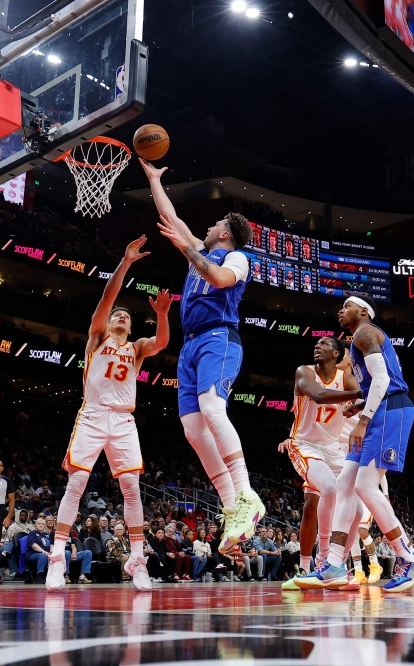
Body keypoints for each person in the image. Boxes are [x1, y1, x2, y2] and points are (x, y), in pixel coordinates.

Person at [142, 158, 265, 553]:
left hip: (219, 338)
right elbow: (170, 216)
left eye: (213, 225)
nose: (206, 229)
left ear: (225, 233)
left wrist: (188, 249)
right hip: (190, 344)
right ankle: (232, 508)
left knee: (213, 408)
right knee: (193, 430)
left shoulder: (235, 258)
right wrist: (153, 179)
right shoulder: (199, 248)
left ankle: (246, 495)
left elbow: (218, 280)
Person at [46, 236, 171, 593]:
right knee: (77, 483)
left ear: (131, 327)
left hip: (123, 420)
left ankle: (137, 559)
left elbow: (161, 343)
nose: (121, 315)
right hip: (93, 414)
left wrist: (161, 315)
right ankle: (57, 556)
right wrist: (126, 262)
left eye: (127, 316)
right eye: (119, 313)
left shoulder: (137, 348)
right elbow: (105, 299)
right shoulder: (98, 337)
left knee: (131, 487)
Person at [297, 295, 414, 592]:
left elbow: (384, 380)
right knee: (345, 483)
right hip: (378, 411)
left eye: (347, 306)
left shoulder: (364, 331)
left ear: (363, 311)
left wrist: (362, 419)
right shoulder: (359, 340)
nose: (340, 311)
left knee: (365, 486)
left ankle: (408, 557)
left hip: (391, 410)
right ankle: (334, 564)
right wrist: (360, 405)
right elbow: (375, 384)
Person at [279, 337, 361, 589]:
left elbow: (365, 403)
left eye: (324, 344)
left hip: (334, 448)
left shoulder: (345, 378)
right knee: (327, 490)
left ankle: (339, 566)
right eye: (316, 343)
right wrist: (361, 393)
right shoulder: (304, 371)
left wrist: (366, 399)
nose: (317, 346)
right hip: (304, 444)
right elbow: (319, 395)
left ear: (337, 354)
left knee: (356, 509)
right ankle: (320, 562)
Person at [25, 518, 53, 584]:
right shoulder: (33, 533)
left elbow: (51, 544)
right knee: (43, 556)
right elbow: (33, 545)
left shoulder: (47, 534)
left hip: (47, 553)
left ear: (45, 526)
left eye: (42, 524)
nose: (41, 525)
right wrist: (43, 551)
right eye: (39, 524)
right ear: (35, 525)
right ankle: (39, 576)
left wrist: (52, 549)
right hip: (33, 553)